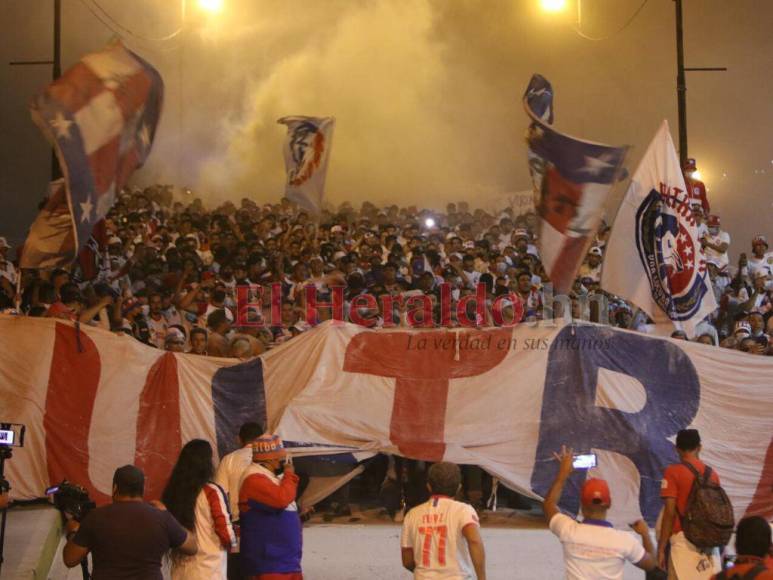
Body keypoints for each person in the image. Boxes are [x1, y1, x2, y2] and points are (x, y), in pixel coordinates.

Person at [63, 465, 198, 578]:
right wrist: (168, 515)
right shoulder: (161, 517)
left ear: (115, 488)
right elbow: (192, 547)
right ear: (142, 490)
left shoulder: (95, 517)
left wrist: (73, 532)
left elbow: (70, 559)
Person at [543, 445, 657, 579]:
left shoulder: (569, 530)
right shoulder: (624, 541)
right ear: (609, 504)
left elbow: (549, 504)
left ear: (582, 504)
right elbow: (651, 565)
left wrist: (563, 474)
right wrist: (645, 534)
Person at [161, 439, 236, 579]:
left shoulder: (172, 493)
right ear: (206, 463)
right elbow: (226, 534)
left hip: (179, 572)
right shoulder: (211, 491)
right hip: (209, 571)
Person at [400, 461, 486, 579]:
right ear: (459, 487)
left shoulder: (412, 515)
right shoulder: (464, 511)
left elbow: (407, 560)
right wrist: (482, 578)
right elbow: (474, 541)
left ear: (428, 486)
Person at [658, 429, 722, 578]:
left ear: (677, 449)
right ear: (699, 447)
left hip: (683, 544)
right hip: (709, 545)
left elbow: (669, 513)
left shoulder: (673, 472)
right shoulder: (712, 474)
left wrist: (661, 548)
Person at [239, 433, 302, 579]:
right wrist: (289, 474)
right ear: (269, 459)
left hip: (284, 561)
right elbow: (281, 499)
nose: (280, 461)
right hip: (270, 564)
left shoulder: (266, 477)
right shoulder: (253, 479)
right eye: (278, 457)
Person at [214, 421, 265, 580]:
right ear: (262, 438)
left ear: (239, 439)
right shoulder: (269, 460)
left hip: (239, 525)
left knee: (237, 570)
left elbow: (219, 494)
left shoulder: (229, 460)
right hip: (266, 523)